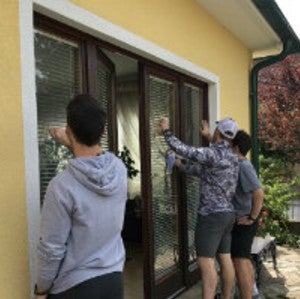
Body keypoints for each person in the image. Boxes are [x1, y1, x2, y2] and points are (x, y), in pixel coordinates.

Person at [34, 94, 127, 299]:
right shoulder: (119, 170)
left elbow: (51, 249)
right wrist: (73, 140)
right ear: (103, 131)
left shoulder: (61, 187)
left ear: (68, 130)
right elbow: (93, 161)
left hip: (74, 288)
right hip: (113, 281)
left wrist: (41, 288)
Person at [158, 117, 239, 299]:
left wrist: (166, 130)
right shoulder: (233, 157)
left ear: (218, 132)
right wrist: (180, 165)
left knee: (205, 262)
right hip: (227, 214)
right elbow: (205, 173)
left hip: (211, 216)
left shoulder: (212, 154)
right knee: (225, 259)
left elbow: (184, 149)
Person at [231, 130, 265, 299]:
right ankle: (254, 293)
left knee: (240, 260)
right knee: (242, 259)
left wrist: (251, 218)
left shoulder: (243, 166)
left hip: (244, 220)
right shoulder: (240, 163)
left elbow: (259, 193)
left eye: (229, 144)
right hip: (243, 218)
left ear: (236, 148)